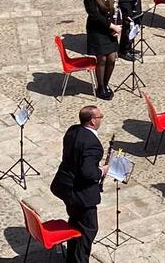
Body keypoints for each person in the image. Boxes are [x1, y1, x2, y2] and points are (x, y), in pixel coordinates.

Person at [51, 106, 105, 263]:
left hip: (64, 187)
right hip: (81, 195)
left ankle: (71, 258)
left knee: (75, 222)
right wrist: (102, 171)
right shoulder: (92, 144)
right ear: (93, 121)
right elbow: (88, 173)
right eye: (100, 116)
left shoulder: (72, 130)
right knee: (88, 231)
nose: (101, 119)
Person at [84, 0, 121, 101]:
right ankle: (100, 87)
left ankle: (106, 83)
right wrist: (112, 26)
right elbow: (95, 16)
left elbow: (116, 8)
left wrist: (117, 25)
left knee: (111, 58)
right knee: (102, 59)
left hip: (110, 29)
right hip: (97, 30)